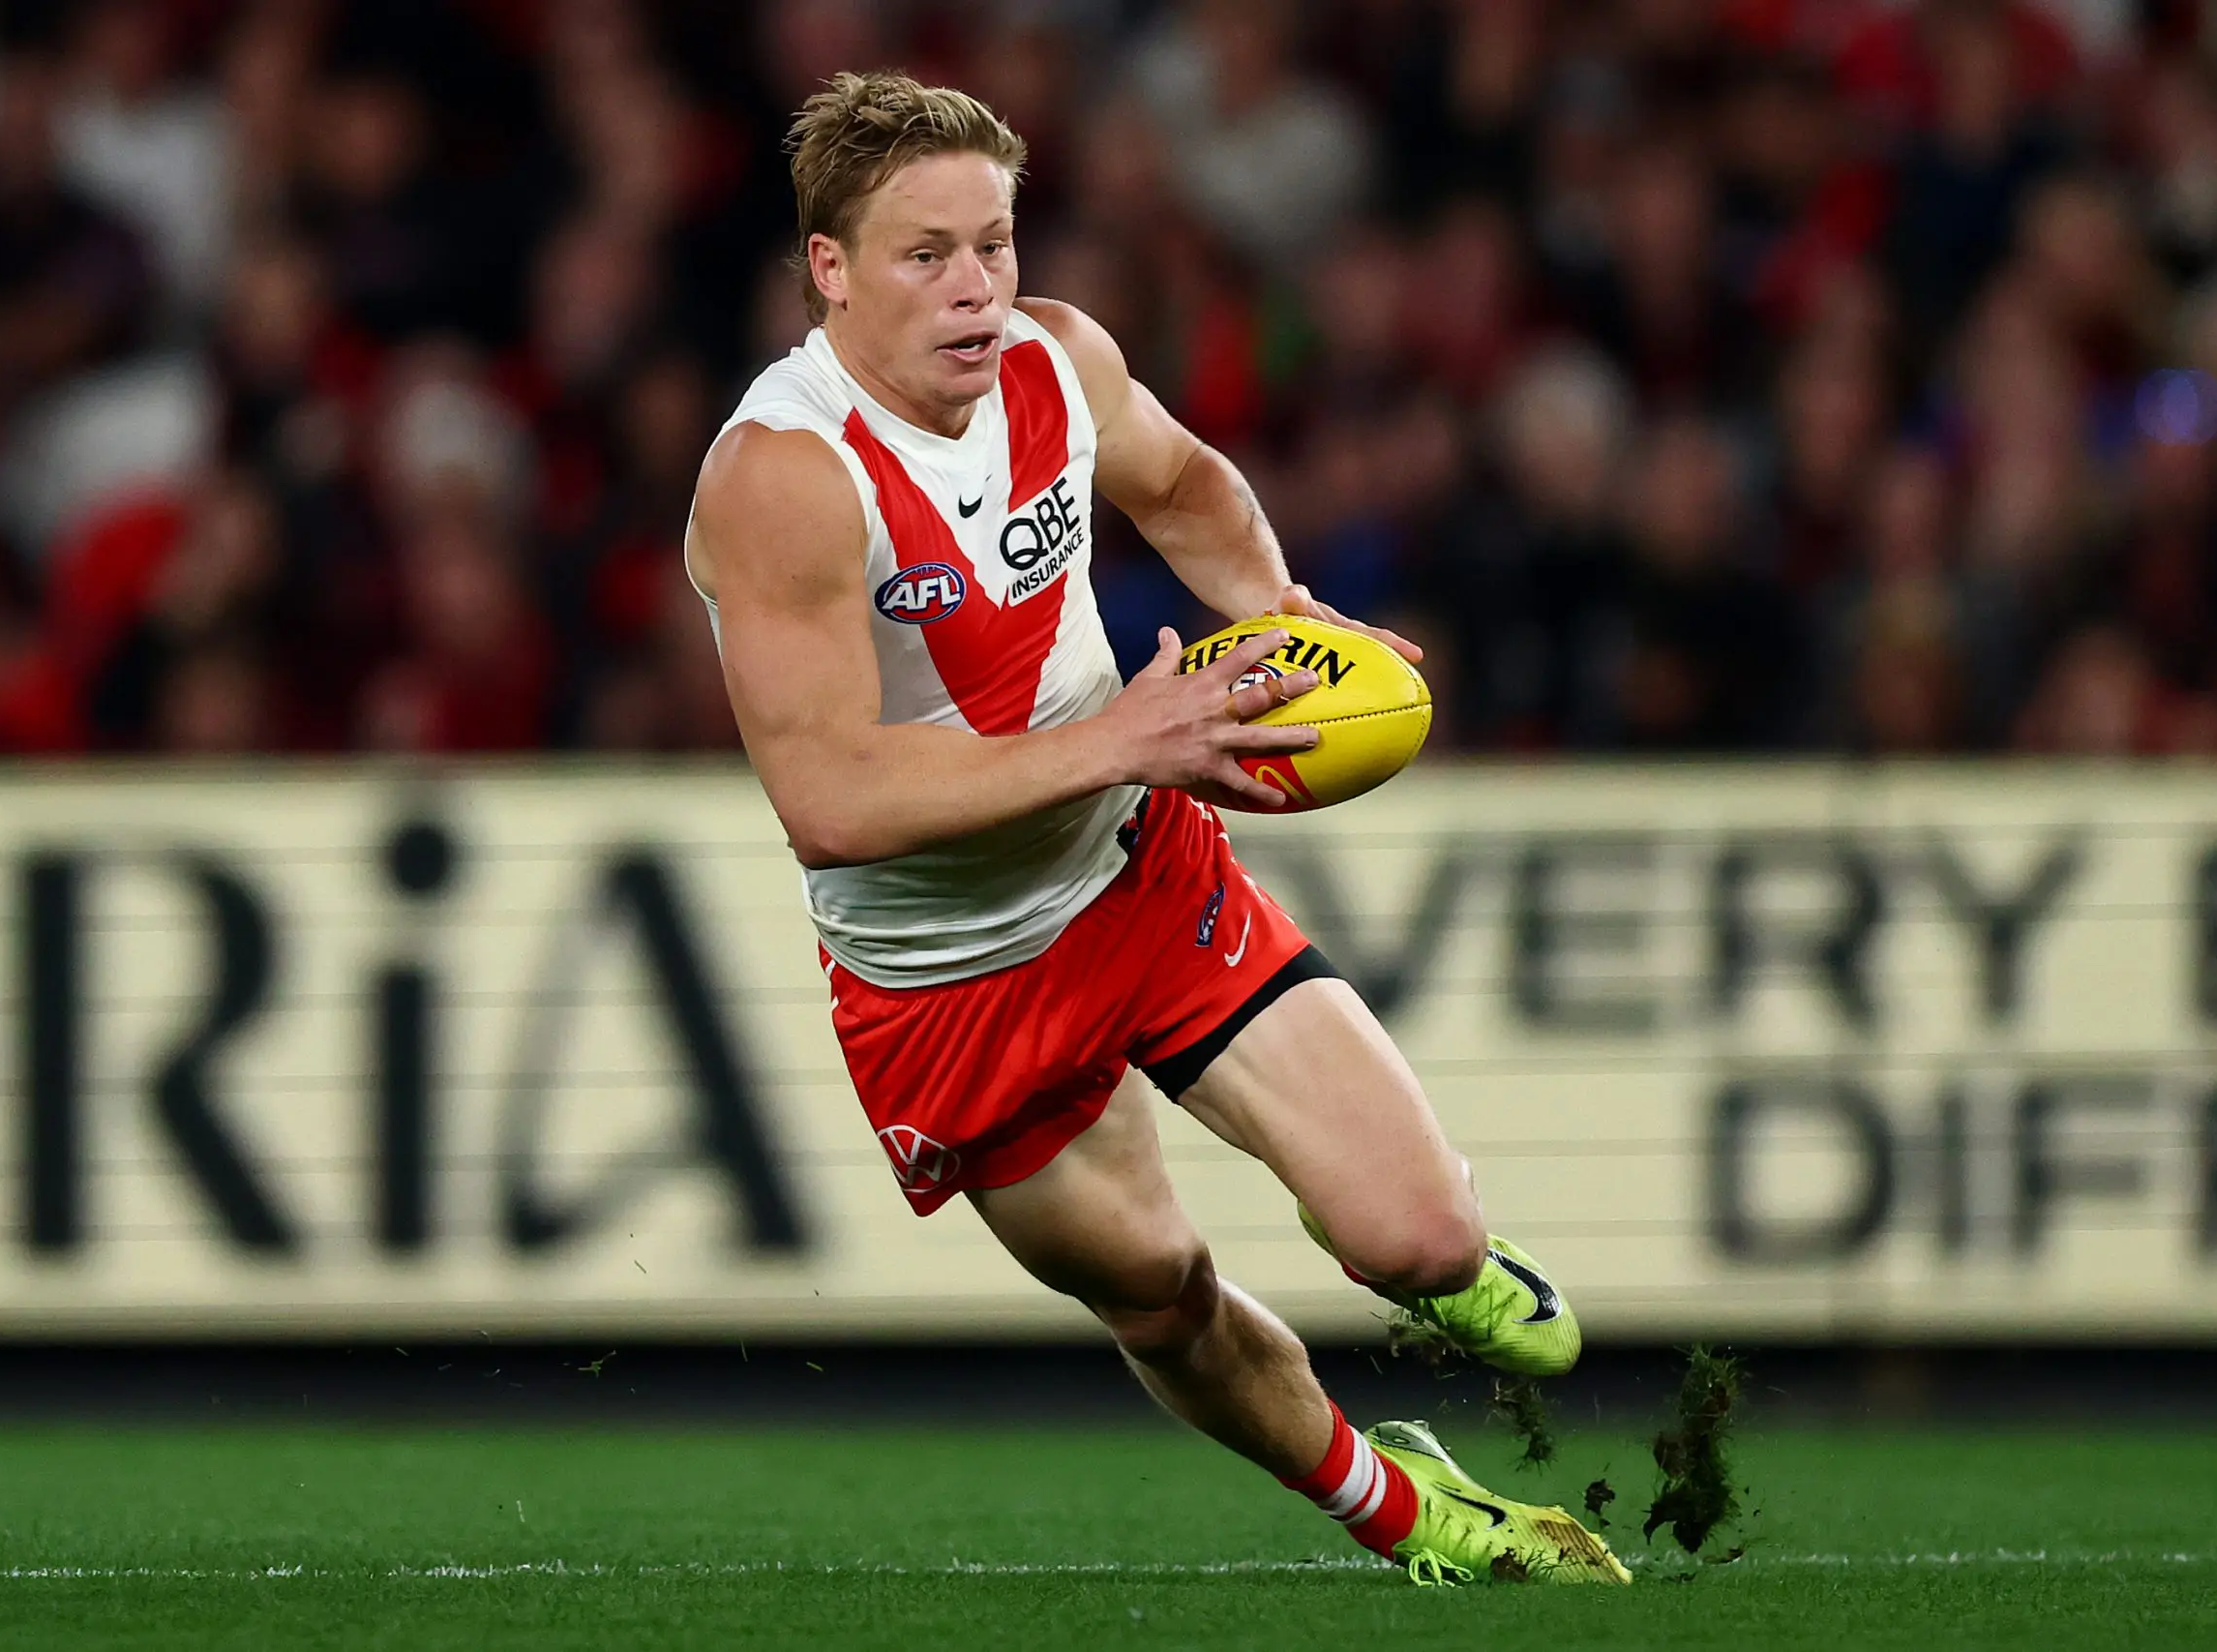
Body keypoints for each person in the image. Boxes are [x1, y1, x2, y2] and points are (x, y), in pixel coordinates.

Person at [684, 70, 1626, 1587]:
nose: (978, 285)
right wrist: (1124, 733)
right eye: (928, 253)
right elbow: (831, 800)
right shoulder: (784, 474)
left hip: (1133, 869)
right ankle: (1402, 1510)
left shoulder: (1060, 359)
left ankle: (1425, 1247)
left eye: (994, 241)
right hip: (946, 989)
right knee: (1163, 1294)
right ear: (831, 269)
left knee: (1425, 1242)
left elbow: (1183, 486)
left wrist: (1286, 614)